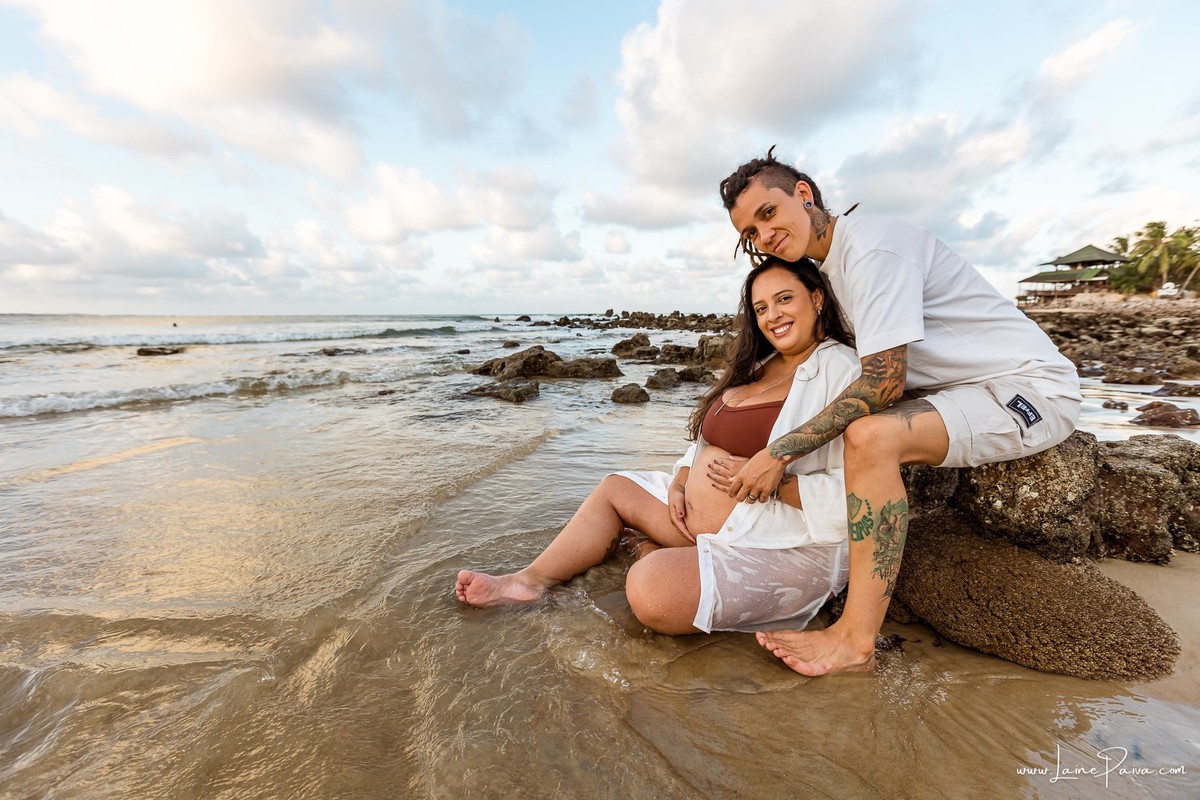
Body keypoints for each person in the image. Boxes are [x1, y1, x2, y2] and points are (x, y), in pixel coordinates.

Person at [716, 148, 1081, 674]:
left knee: (870, 437)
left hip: (1028, 392)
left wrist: (777, 453)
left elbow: (885, 382)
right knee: (856, 430)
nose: (763, 236)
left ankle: (855, 640)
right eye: (750, 232)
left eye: (767, 214)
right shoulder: (832, 267)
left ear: (803, 194)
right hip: (963, 393)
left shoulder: (873, 250)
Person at [456, 257, 862, 636]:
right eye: (760, 308)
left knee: (652, 590)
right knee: (614, 488)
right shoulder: (757, 365)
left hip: (779, 543)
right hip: (696, 521)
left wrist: (774, 483)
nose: (772, 315)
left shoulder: (844, 371)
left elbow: (862, 492)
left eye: (784, 299)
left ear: (817, 297)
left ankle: (652, 551)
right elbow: (705, 445)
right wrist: (681, 482)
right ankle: (527, 582)